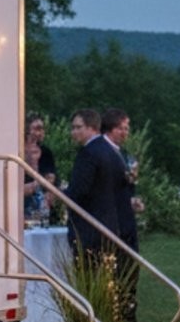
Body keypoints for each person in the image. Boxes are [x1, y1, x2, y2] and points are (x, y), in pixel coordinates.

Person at [63, 107, 124, 260]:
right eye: (73, 128)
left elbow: (80, 190)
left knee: (88, 278)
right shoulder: (111, 151)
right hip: (110, 226)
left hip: (89, 229)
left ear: (92, 128)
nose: (73, 132)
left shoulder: (88, 153)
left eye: (78, 127)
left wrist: (60, 194)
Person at [100, 108, 141, 253]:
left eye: (126, 129)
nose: (125, 132)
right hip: (109, 219)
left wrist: (133, 199)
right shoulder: (100, 151)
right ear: (109, 129)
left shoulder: (123, 154)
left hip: (125, 217)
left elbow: (127, 185)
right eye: (120, 128)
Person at [22, 115, 58, 221]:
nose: (41, 132)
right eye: (37, 129)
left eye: (42, 129)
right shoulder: (16, 151)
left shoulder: (46, 152)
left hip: (39, 201)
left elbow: (51, 178)